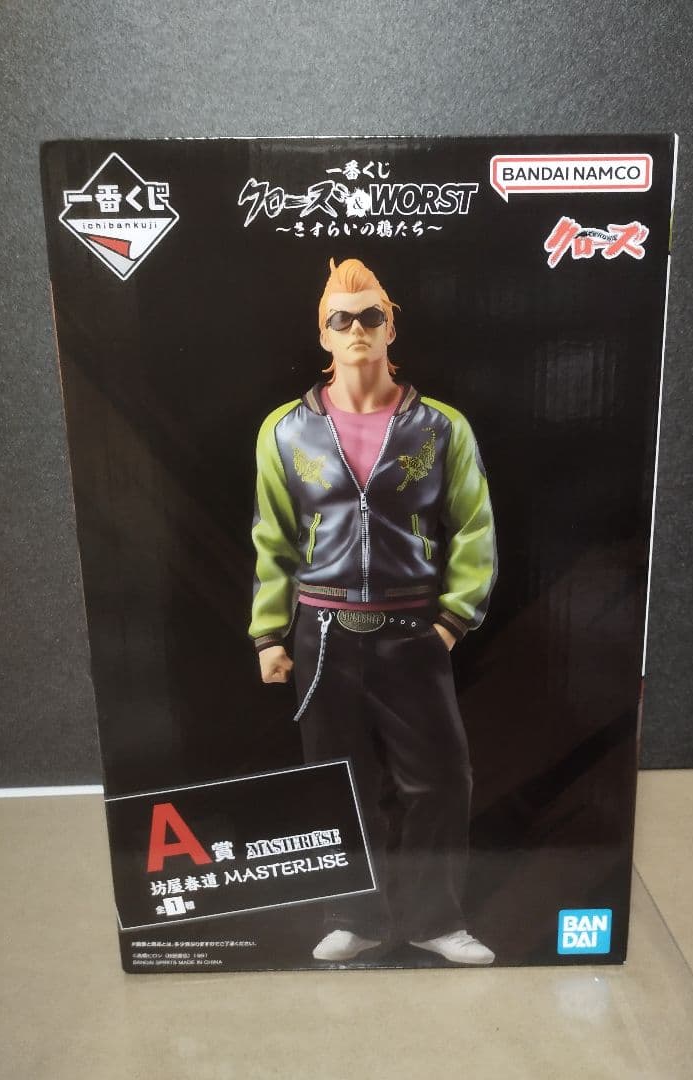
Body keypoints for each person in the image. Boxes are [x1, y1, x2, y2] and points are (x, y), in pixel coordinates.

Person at [249, 257, 497, 964]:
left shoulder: (441, 428)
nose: (356, 329)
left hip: (412, 626)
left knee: (440, 779)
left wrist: (451, 621)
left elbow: (473, 528)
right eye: (341, 318)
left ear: (391, 327)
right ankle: (352, 918)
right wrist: (269, 633)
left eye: (370, 317)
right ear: (322, 333)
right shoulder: (285, 430)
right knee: (337, 781)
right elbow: (273, 537)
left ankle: (434, 919)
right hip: (323, 630)